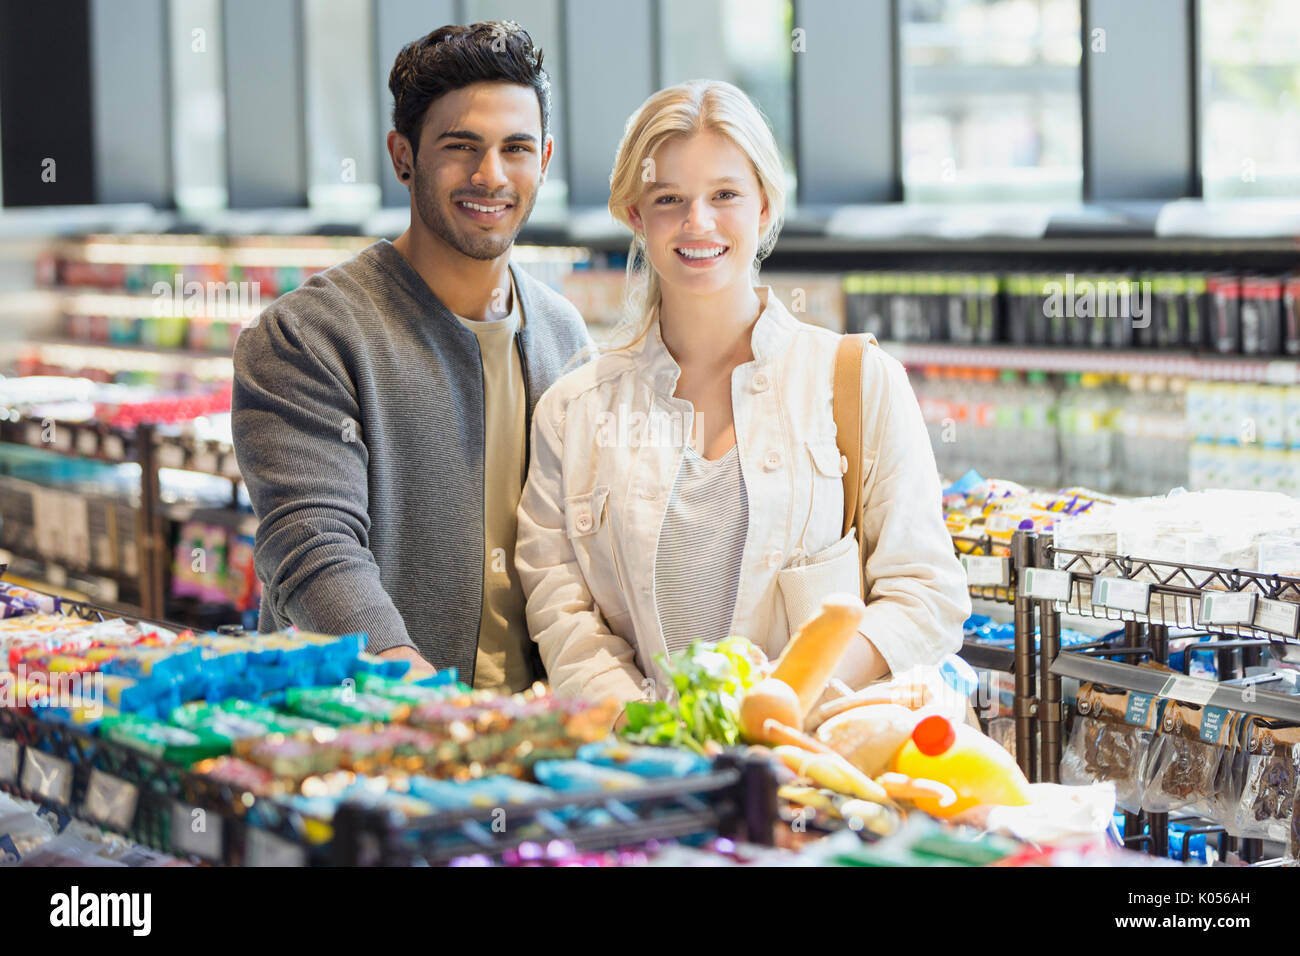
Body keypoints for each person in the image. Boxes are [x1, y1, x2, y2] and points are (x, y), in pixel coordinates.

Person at [515, 81, 970, 719]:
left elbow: (927, 593)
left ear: (762, 207)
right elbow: (563, 613)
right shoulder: (573, 413)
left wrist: (779, 704)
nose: (697, 222)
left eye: (724, 194)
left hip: (823, 783)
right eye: (668, 198)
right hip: (659, 778)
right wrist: (654, 731)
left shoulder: (857, 381)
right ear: (636, 217)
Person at [233, 22, 593, 691]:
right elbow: (313, 547)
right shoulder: (308, 335)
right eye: (461, 147)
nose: (491, 175)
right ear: (404, 157)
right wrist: (414, 693)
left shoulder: (566, 336)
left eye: (515, 148)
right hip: (363, 738)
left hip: (543, 737)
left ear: (543, 159)